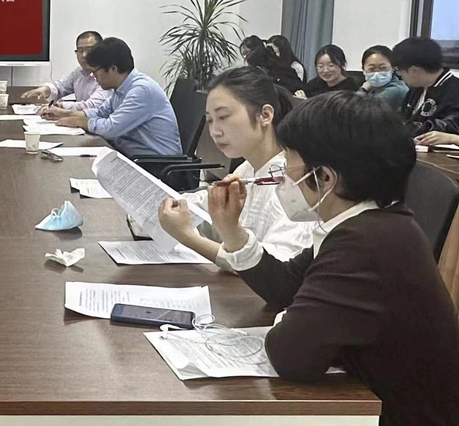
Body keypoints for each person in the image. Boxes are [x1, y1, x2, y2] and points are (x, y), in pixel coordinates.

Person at [173, 92, 459, 424]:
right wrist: (232, 231)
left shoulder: (366, 245)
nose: (281, 176)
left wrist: (291, 317)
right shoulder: (367, 222)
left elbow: (291, 356)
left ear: (324, 177)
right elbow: (286, 287)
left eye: (288, 164)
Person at [156, 68, 312, 265]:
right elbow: (206, 206)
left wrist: (187, 236)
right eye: (210, 121)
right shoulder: (248, 168)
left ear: (265, 115)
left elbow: (274, 266)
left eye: (223, 117)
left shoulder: (291, 181)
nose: (214, 131)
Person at [43, 37, 181, 157]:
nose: (94, 77)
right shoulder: (120, 88)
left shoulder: (141, 90)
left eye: (95, 72)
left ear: (113, 69)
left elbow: (110, 128)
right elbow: (100, 112)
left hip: (154, 165)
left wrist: (80, 121)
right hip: (129, 155)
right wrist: (64, 113)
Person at [21, 30, 110, 110]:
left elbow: (92, 106)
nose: (84, 55)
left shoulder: (108, 75)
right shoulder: (79, 72)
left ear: (100, 51)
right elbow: (61, 87)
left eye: (89, 50)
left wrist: (59, 106)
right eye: (80, 51)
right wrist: (46, 89)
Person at [393, 37, 459, 137]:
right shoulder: (416, 88)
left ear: (414, 70)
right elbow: (401, 117)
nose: (400, 75)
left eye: (399, 70)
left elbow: (448, 127)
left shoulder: (454, 91)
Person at [295, 45, 360, 98]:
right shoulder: (314, 84)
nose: (325, 70)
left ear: (342, 65)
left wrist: (307, 102)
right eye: (320, 66)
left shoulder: (350, 87)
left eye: (331, 65)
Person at [358, 45, 408, 112]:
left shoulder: (396, 90)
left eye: (383, 68)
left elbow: (358, 111)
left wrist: (363, 89)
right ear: (363, 69)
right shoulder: (375, 87)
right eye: (371, 69)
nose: (377, 73)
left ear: (393, 68)